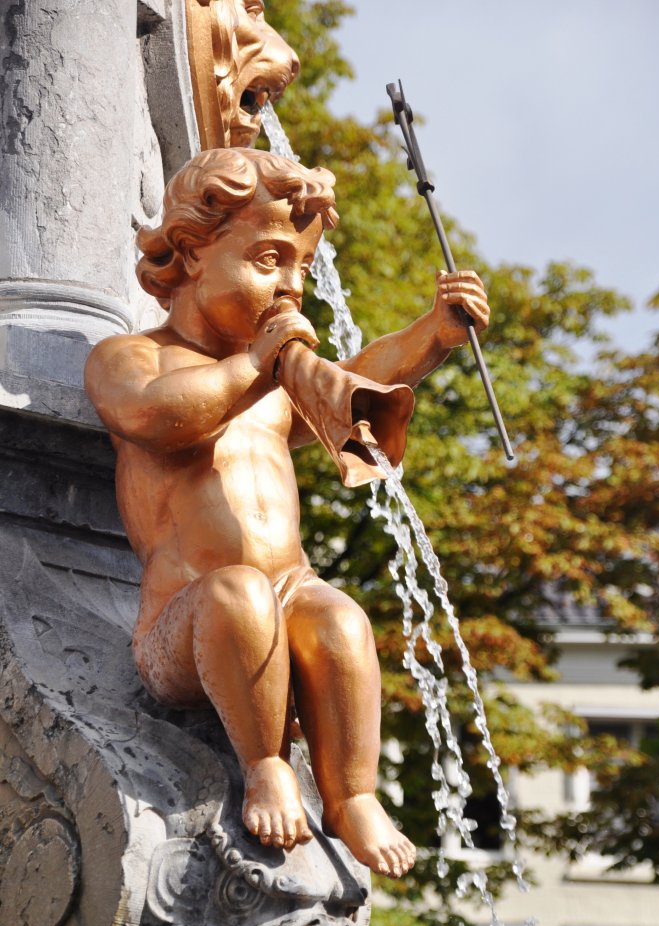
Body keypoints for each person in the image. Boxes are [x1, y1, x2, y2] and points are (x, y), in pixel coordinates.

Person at [85, 148, 489, 878]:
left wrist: (434, 334)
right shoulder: (130, 357)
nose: (290, 288)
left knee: (340, 618)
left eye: (301, 268)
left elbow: (364, 371)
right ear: (189, 251)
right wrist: (252, 366)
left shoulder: (275, 387)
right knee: (237, 595)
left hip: (290, 591)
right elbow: (154, 418)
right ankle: (264, 760)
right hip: (186, 613)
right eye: (270, 260)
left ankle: (352, 794)